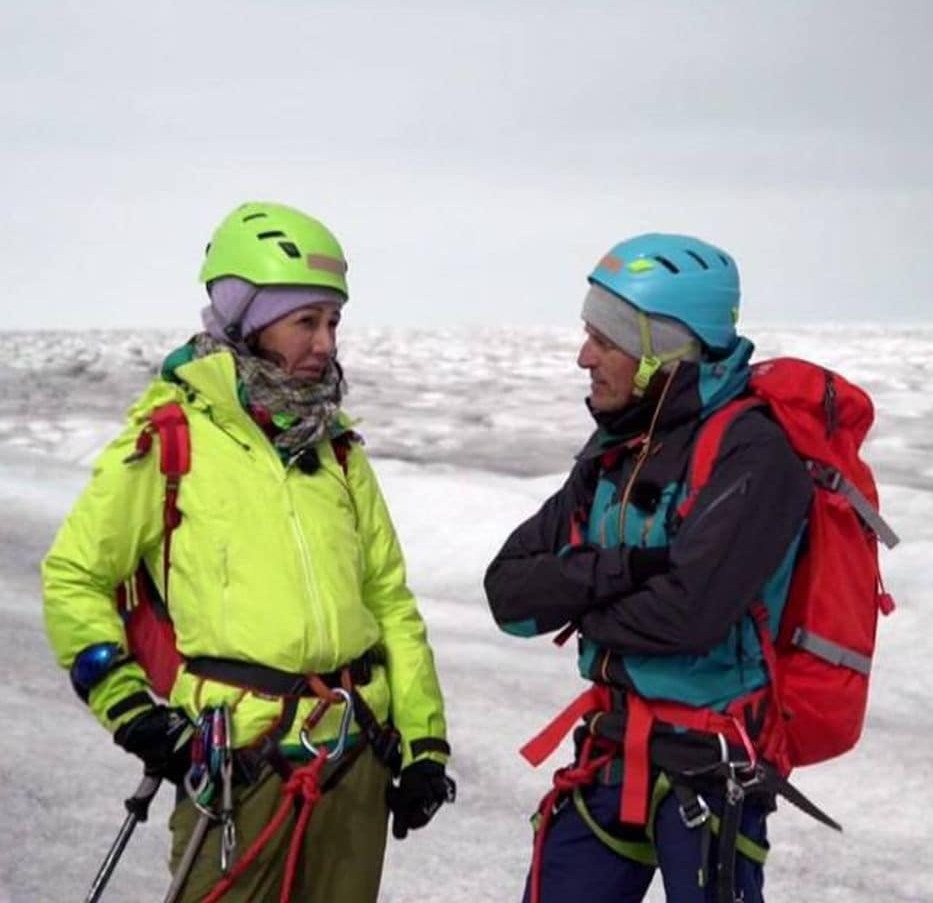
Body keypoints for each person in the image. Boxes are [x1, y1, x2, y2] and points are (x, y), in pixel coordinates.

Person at [42, 201, 452, 902]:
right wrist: (135, 714)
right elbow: (74, 578)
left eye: (333, 322)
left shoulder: (339, 451)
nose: (325, 343)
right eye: (306, 322)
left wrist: (423, 743)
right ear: (246, 320)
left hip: (354, 762)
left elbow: (388, 600)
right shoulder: (171, 438)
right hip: (238, 766)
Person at [484, 233, 814, 903]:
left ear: (665, 345)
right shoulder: (617, 448)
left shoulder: (754, 453)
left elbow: (687, 616)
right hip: (611, 749)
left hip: (710, 769)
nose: (585, 356)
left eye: (605, 338)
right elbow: (509, 594)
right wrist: (630, 567)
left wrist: (578, 600)